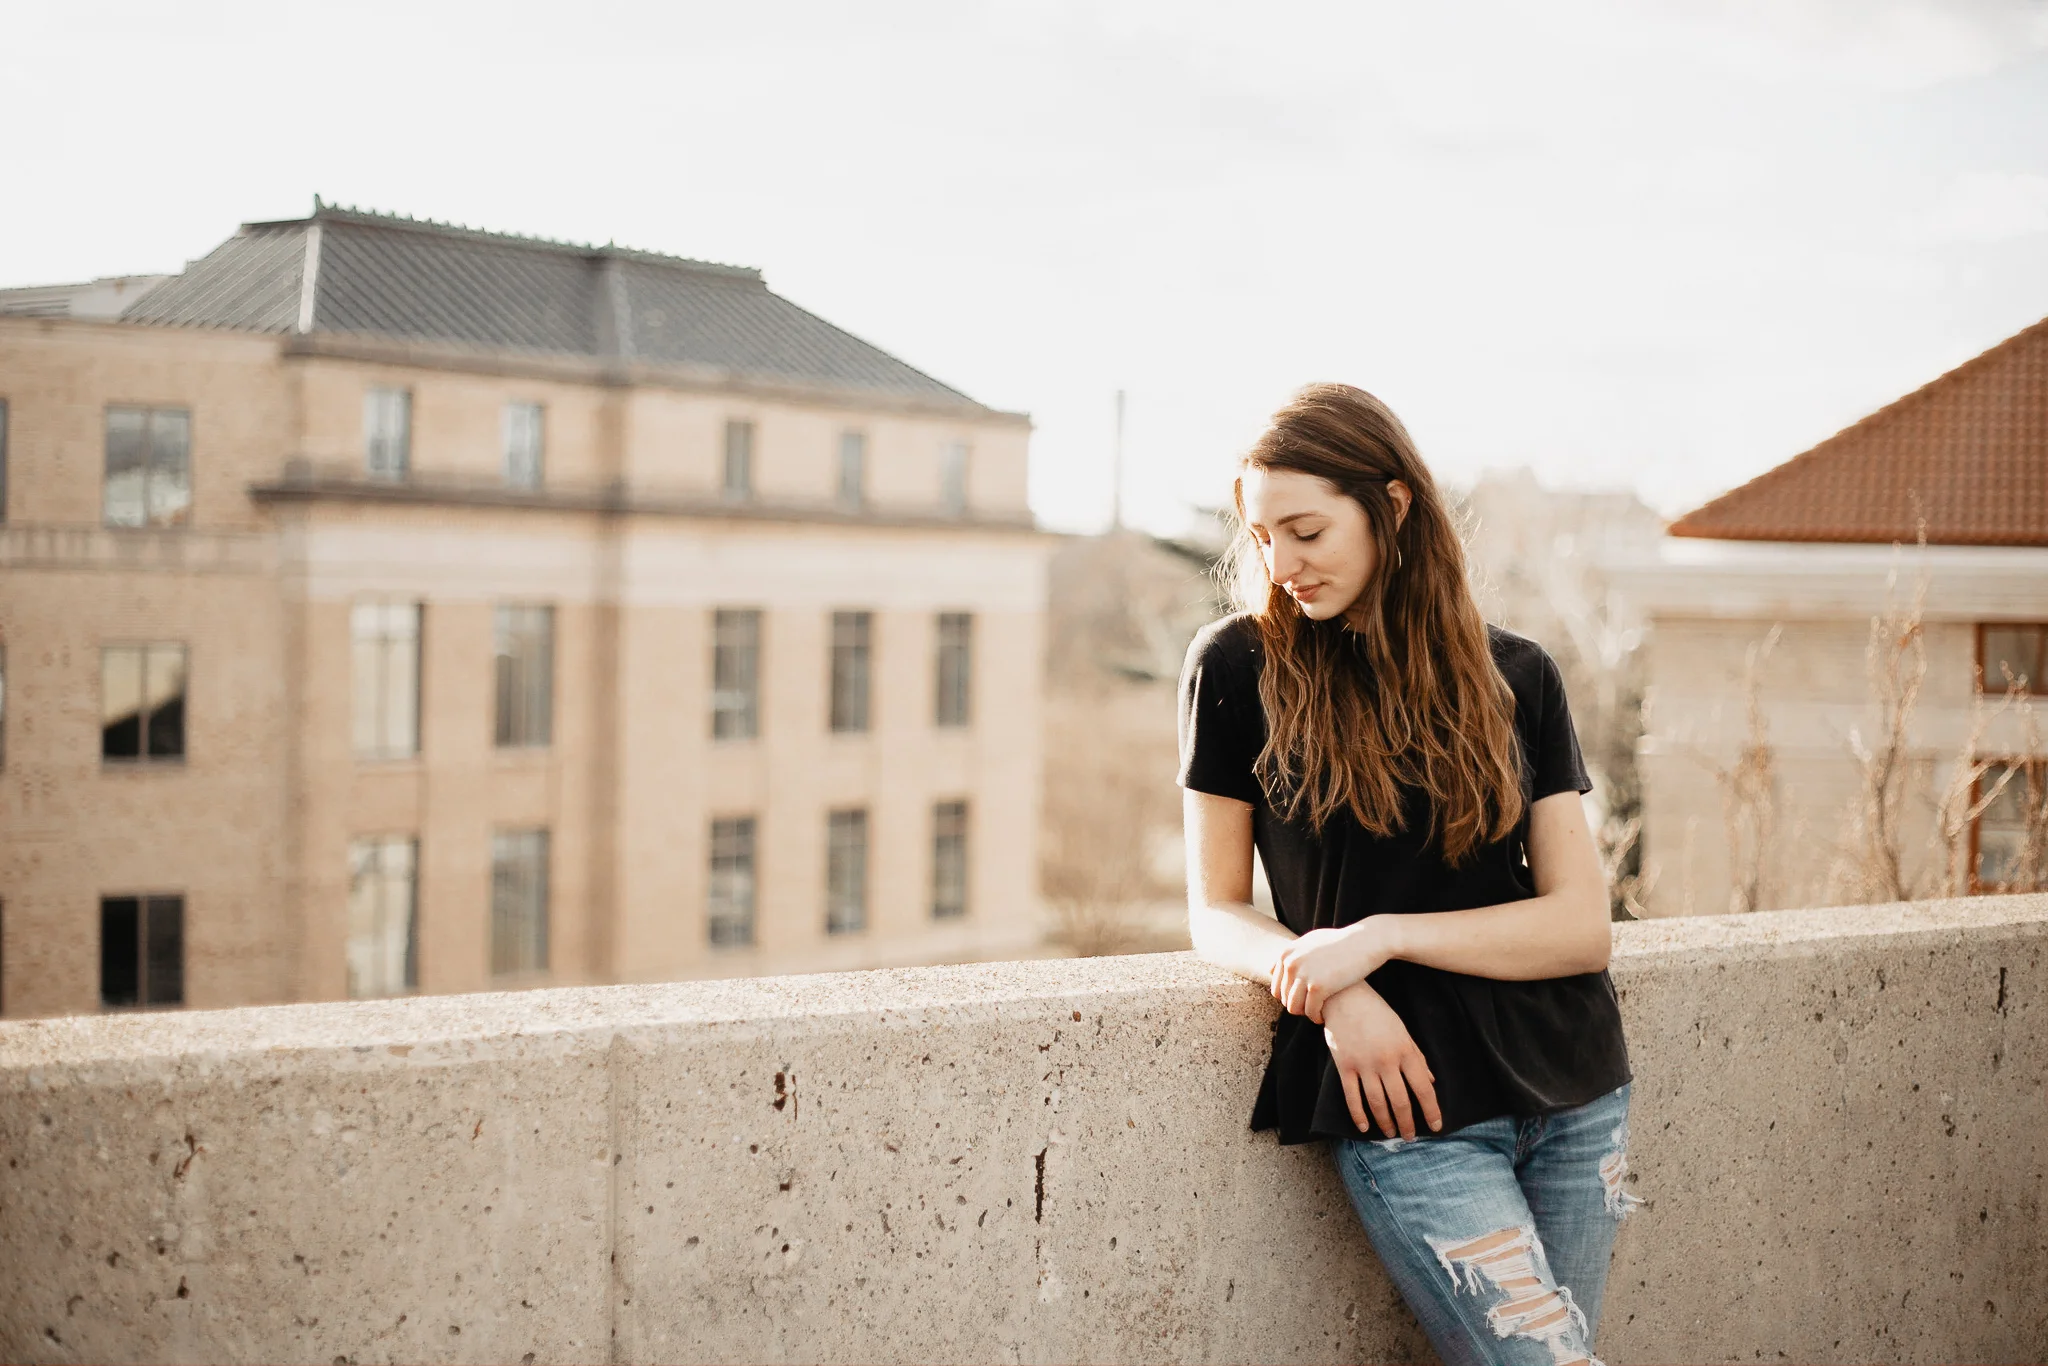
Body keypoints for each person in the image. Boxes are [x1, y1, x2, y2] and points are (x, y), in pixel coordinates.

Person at [1177, 382, 1640, 1366]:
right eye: (1260, 537)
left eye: (1303, 530)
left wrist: (1380, 938)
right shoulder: (1233, 667)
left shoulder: (1516, 674)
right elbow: (1214, 914)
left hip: (1573, 1089)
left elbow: (1576, 926)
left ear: (1389, 505)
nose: (1280, 562)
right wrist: (1329, 986)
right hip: (1409, 1111)